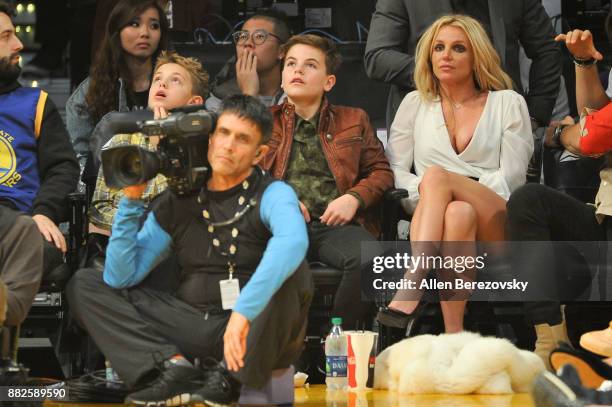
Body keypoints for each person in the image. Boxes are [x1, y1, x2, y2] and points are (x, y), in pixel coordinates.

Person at [67, 95, 313, 406]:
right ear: (210, 138)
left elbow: (293, 243)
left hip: (255, 331)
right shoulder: (178, 199)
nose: (227, 145)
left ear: (259, 153)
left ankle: (228, 381)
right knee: (87, 283)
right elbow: (120, 277)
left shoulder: (274, 193)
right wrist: (131, 200)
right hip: (193, 323)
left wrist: (243, 313)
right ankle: (169, 368)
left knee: (295, 272)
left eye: (242, 139)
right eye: (223, 133)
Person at [378, 15, 533, 333]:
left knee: (437, 177)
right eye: (439, 47)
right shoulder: (414, 104)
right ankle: (455, 334)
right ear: (429, 56)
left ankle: (415, 278)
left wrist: (451, 185)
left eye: (458, 48)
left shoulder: (507, 103)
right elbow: (394, 172)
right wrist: (440, 195)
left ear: (477, 56)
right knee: (457, 212)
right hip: (435, 216)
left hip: (496, 218)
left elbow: (512, 181)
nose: (446, 55)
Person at [261, 34, 393, 330]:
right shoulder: (262, 122)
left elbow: (381, 171)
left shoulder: (354, 119)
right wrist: (279, 199)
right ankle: (286, 356)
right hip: (281, 226)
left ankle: (337, 345)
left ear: (328, 81)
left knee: (369, 260)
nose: (297, 71)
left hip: (336, 226)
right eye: (291, 64)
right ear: (282, 77)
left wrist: (354, 198)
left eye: (309, 65)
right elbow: (244, 176)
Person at [506, 28, 612, 369]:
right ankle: (551, 340)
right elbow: (595, 114)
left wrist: (561, 133)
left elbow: (590, 138)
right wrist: (582, 60)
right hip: (604, 215)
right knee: (529, 200)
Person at [364, 0, 561, 134]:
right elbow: (378, 57)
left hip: (499, 121)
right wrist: (439, 71)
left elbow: (547, 50)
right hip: (426, 123)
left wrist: (535, 115)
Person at [86, 51, 208, 263]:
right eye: (157, 79)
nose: (162, 85)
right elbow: (99, 210)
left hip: (175, 253)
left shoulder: (205, 149)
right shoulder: (120, 141)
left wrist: (163, 149)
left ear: (193, 102)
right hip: (124, 246)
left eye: (175, 80)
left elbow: (190, 215)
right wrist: (134, 223)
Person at [0, 1, 79, 273]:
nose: (19, 45)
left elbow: (63, 167)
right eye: (6, 37)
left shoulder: (36, 104)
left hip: (22, 226)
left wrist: (44, 212)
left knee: (40, 250)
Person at [66, 0, 169, 169]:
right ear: (117, 31)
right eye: (134, 24)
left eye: (154, 26)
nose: (145, 33)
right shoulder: (85, 96)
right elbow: (81, 165)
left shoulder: (177, 83)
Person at [205, 9, 289, 113]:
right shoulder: (221, 97)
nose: (247, 43)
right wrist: (249, 94)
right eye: (243, 36)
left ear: (281, 51)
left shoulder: (296, 95)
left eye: (259, 36)